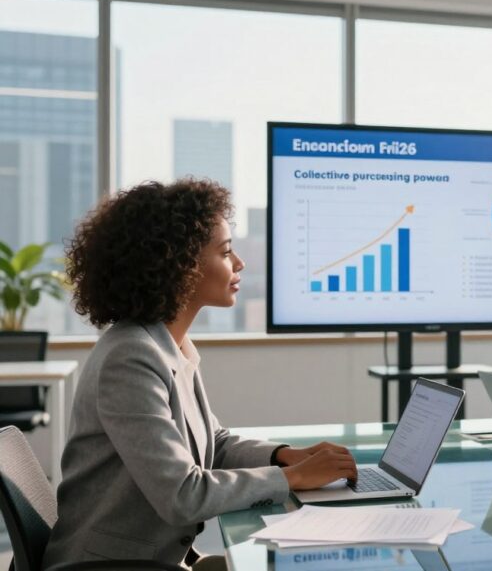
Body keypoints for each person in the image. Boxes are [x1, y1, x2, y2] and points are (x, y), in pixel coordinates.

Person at [44, 179, 358, 567]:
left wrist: (285, 457)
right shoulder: (130, 357)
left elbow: (215, 443)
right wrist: (293, 479)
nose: (239, 263)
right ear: (179, 264)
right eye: (226, 251)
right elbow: (183, 494)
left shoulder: (170, 345)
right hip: (108, 564)